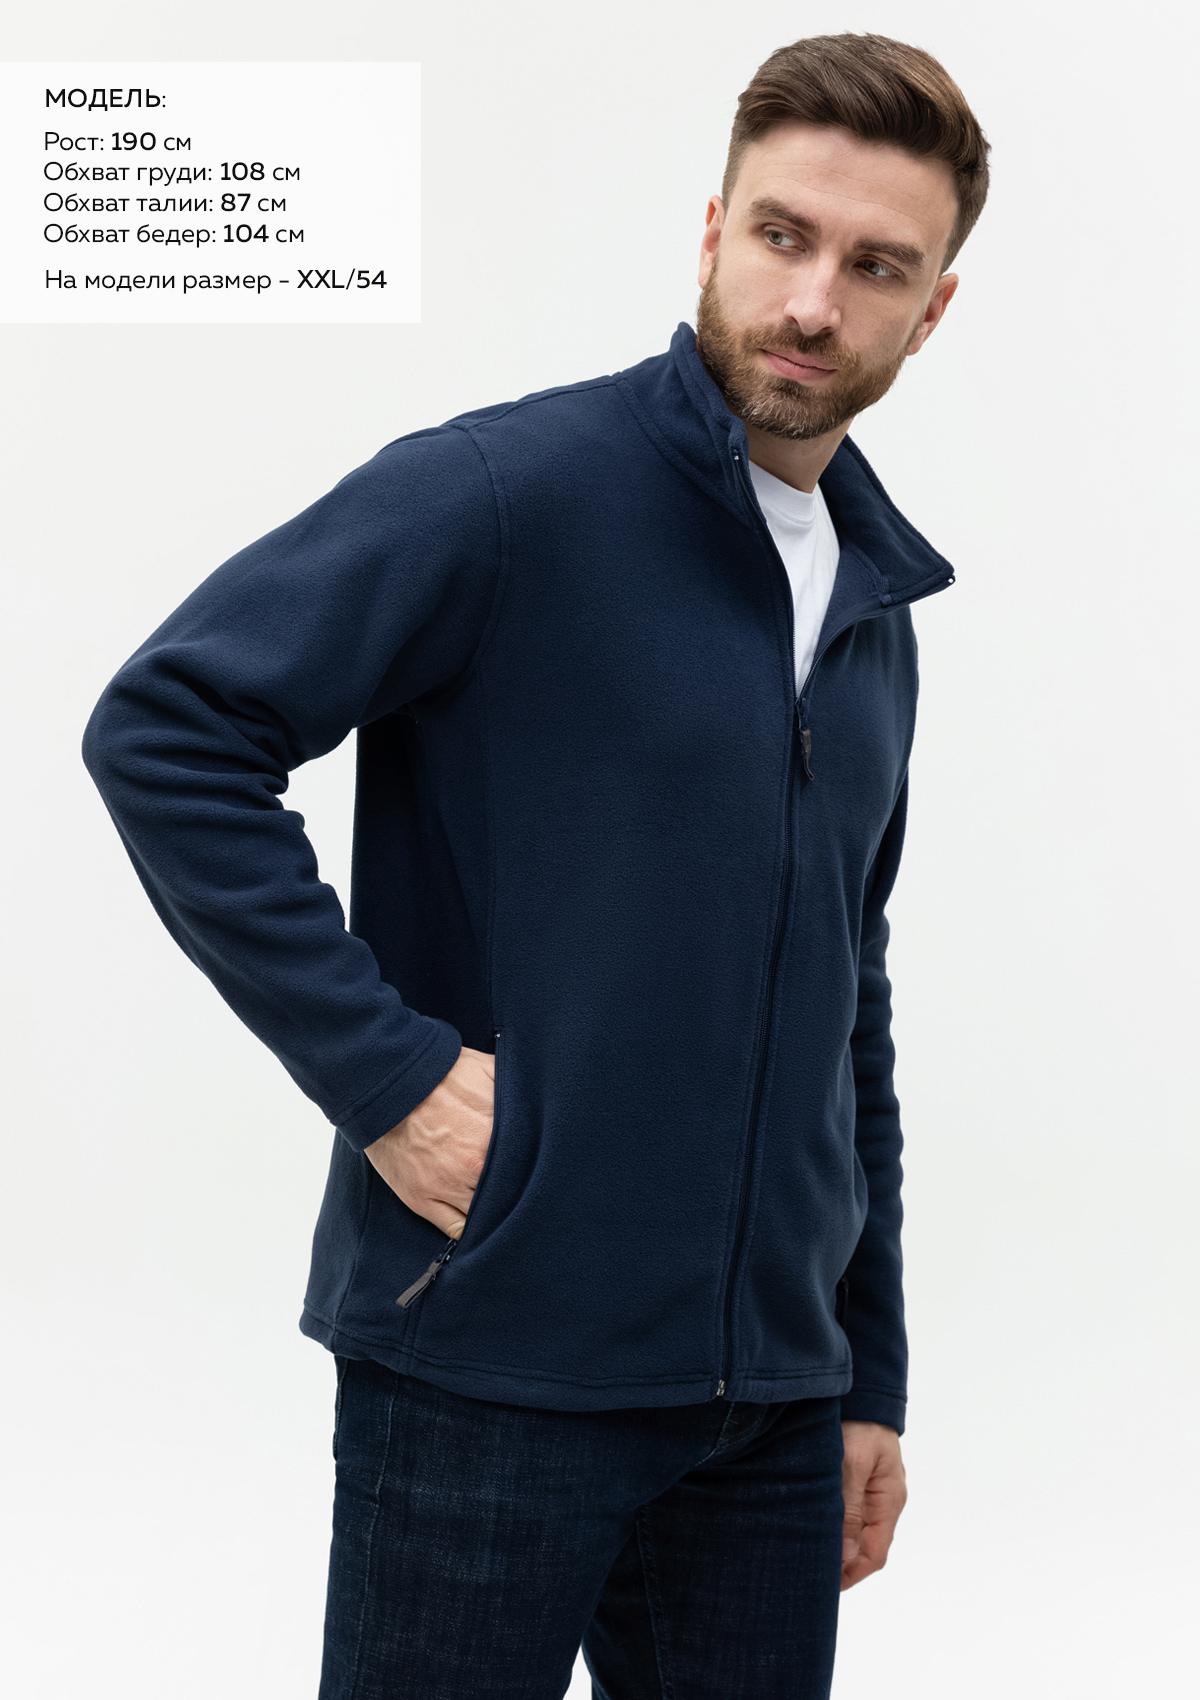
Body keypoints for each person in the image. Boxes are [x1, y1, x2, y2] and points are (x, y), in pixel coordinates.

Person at [82, 31, 989, 1700]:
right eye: (782, 235)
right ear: (712, 230)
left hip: (773, 1416)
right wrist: (390, 1078)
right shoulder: (508, 495)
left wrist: (867, 1371)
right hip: (491, 1362)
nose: (812, 302)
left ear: (930, 311)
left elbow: (842, 997)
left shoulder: (874, 608)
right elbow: (170, 727)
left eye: (876, 267)